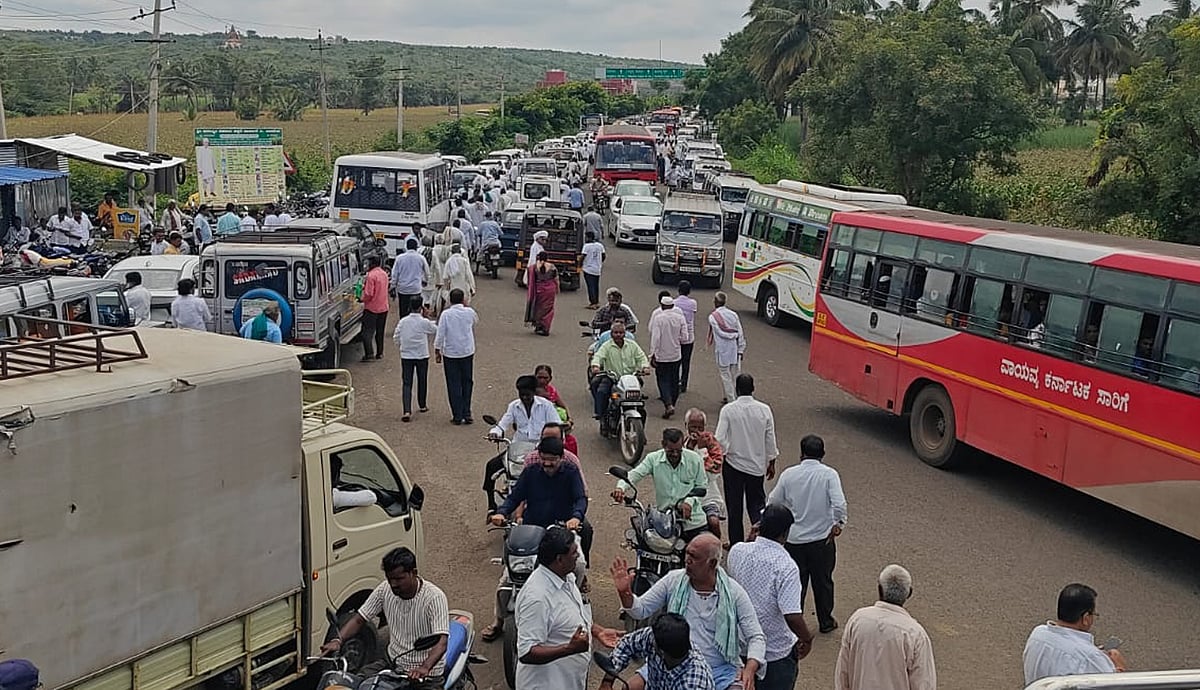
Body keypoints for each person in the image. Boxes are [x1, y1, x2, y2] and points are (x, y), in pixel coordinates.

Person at [611, 533, 766, 690]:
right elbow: (641, 610)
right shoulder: (673, 580)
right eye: (687, 553)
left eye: (694, 557)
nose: (687, 560)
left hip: (720, 671)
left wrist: (750, 670)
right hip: (672, 662)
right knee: (630, 687)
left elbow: (756, 637)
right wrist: (625, 593)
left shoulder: (734, 593)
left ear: (712, 563)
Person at [320, 548, 450, 689]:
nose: (393, 584)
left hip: (425, 675)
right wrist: (338, 640)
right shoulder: (385, 590)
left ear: (413, 573)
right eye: (390, 579)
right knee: (355, 683)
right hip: (393, 662)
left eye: (399, 579)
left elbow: (441, 642)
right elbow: (360, 618)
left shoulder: (434, 598)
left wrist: (424, 668)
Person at [510, 527, 622, 690]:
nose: (578, 556)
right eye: (574, 553)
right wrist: (568, 649)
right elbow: (527, 652)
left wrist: (596, 631)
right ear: (559, 559)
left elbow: (569, 617)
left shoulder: (567, 577)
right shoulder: (537, 599)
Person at [727, 504, 814, 690]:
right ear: (785, 533)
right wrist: (806, 638)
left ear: (759, 525)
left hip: (740, 647)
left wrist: (750, 539)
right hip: (775, 653)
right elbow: (792, 615)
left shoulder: (737, 551)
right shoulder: (786, 567)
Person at [769, 434, 847, 634]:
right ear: (823, 454)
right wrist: (838, 524)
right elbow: (839, 504)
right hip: (822, 540)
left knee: (796, 584)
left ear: (801, 453)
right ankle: (825, 621)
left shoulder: (789, 474)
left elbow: (774, 501)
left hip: (794, 541)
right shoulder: (829, 475)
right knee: (823, 582)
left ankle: (796, 624)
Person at [835, 565, 936, 690]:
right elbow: (923, 683)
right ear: (909, 593)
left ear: (879, 589)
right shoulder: (915, 634)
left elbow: (843, 672)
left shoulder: (858, 619)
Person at [716, 374, 778, 546]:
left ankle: (736, 544)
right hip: (756, 467)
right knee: (757, 505)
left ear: (736, 389)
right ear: (753, 389)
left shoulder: (729, 410)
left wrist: (722, 454)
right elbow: (770, 437)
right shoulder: (764, 410)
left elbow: (719, 439)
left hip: (733, 465)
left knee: (734, 508)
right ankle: (761, 540)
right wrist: (771, 461)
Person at [612, 428, 709, 537]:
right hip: (664, 523)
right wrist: (621, 487)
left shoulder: (695, 459)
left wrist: (689, 502)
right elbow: (634, 475)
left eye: (679, 450)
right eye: (671, 451)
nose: (675, 454)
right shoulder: (653, 459)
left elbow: (702, 486)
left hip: (693, 522)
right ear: (663, 445)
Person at [1023, 583, 1127, 684]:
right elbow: (1112, 685)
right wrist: (1119, 668)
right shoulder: (1090, 657)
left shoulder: (1038, 633)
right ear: (1085, 618)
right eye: (1094, 614)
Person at [599, 613, 716, 690]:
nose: (650, 638)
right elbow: (626, 644)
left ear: (661, 651)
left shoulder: (694, 683)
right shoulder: (657, 636)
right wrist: (607, 682)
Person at [590, 321, 651, 419]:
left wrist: (645, 367)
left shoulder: (632, 345)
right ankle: (600, 414)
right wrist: (595, 366)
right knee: (602, 391)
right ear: (611, 334)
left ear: (625, 333)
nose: (618, 335)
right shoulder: (606, 346)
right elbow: (598, 356)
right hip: (613, 378)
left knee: (640, 403)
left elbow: (641, 357)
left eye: (621, 332)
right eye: (616, 332)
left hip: (631, 378)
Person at [434, 288, 477, 425]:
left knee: (453, 384)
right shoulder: (469, 312)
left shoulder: (446, 314)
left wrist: (437, 350)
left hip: (451, 353)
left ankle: (457, 415)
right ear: (463, 299)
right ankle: (467, 412)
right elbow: (475, 321)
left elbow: (440, 333)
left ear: (450, 300)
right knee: (467, 382)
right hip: (467, 351)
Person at [393, 297, 439, 422]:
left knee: (407, 382)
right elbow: (436, 330)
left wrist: (402, 345)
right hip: (421, 355)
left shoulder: (403, 321)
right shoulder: (423, 322)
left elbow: (396, 337)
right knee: (422, 379)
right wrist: (427, 317)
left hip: (406, 355)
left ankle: (407, 410)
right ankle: (422, 404)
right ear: (421, 308)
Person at [684, 408, 726, 537]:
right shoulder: (680, 445)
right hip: (686, 497)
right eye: (693, 427)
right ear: (686, 426)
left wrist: (702, 450)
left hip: (708, 498)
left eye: (700, 427)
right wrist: (690, 448)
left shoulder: (712, 446)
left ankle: (716, 547)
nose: (696, 431)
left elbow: (712, 475)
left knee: (713, 522)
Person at [489, 375, 562, 445]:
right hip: (518, 447)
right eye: (522, 395)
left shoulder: (546, 405)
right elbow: (503, 425)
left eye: (527, 395)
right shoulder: (513, 406)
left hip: (541, 447)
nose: (524, 398)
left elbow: (556, 426)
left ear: (534, 392)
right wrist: (495, 432)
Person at [649, 295, 689, 419]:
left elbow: (655, 338)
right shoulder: (680, 318)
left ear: (662, 306)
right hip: (676, 355)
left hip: (662, 355)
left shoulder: (659, 318)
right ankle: (672, 403)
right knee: (674, 380)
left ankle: (668, 404)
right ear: (672, 306)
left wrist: (652, 354)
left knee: (663, 380)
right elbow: (685, 338)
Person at [708, 292, 746, 404]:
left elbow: (720, 333)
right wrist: (741, 348)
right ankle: (734, 396)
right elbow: (740, 332)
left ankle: (731, 400)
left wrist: (732, 336)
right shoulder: (733, 314)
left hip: (722, 349)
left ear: (715, 302)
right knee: (734, 375)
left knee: (725, 375)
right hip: (734, 348)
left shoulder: (712, 317)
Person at [359, 255, 390, 362]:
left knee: (366, 332)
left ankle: (369, 354)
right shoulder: (384, 274)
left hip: (372, 308)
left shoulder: (371, 276)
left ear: (372, 264)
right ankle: (380, 353)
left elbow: (369, 294)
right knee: (380, 331)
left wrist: (361, 299)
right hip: (383, 307)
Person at [392, 237, 430, 318]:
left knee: (403, 311)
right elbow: (427, 272)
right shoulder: (421, 258)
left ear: (406, 246)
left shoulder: (399, 258)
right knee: (416, 311)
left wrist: (393, 286)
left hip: (403, 289)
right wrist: (425, 281)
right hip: (416, 289)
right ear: (416, 247)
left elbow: (395, 274)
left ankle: (403, 326)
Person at [526, 254, 559, 336]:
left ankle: (538, 326)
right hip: (550, 290)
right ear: (547, 258)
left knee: (538, 307)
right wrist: (557, 288)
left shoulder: (534, 267)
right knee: (548, 309)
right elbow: (556, 279)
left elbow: (530, 280)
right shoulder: (552, 266)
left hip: (539, 290)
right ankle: (545, 327)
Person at [674, 281, 698, 393]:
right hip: (689, 336)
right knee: (686, 362)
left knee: (676, 361)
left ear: (679, 290)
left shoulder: (674, 303)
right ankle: (684, 384)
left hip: (677, 336)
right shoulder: (693, 303)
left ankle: (675, 381)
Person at [580, 231, 605, 309]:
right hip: (597, 269)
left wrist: (580, 264)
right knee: (595, 285)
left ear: (588, 237)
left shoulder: (586, 246)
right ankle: (596, 302)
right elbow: (603, 255)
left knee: (590, 286)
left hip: (588, 269)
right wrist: (599, 262)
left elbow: (583, 256)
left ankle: (592, 303)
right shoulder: (600, 245)